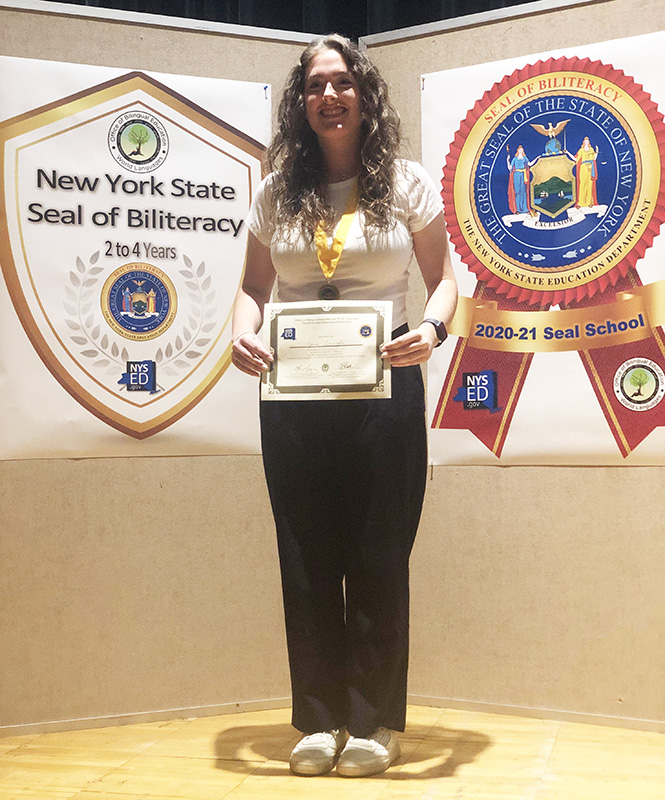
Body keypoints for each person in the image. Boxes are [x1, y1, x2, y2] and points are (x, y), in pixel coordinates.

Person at [231, 34, 457, 778]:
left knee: (377, 552)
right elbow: (251, 292)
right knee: (304, 554)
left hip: (385, 389)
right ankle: (317, 722)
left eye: (341, 82)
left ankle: (371, 724)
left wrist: (430, 329)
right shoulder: (275, 190)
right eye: (314, 85)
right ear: (300, 103)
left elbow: (446, 282)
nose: (328, 95)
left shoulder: (405, 181)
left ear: (365, 95)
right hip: (293, 396)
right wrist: (241, 335)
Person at [574, 136, 599, 208]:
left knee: (589, 184)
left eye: (587, 141)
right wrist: (567, 153)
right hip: (583, 167)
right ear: (583, 143)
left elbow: (594, 158)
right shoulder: (581, 150)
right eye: (585, 142)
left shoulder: (591, 150)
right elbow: (576, 159)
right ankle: (581, 203)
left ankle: (589, 203)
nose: (586, 143)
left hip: (590, 168)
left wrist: (596, 151)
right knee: (582, 184)